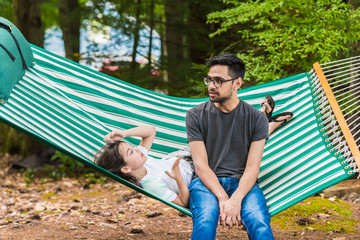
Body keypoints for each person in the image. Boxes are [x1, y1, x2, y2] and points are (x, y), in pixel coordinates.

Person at [186, 54, 275, 239]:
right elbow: (201, 165)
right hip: (206, 183)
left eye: (218, 81)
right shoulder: (195, 115)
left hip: (243, 183)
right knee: (205, 220)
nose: (211, 86)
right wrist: (223, 197)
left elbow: (252, 167)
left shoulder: (256, 118)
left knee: (259, 221)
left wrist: (237, 198)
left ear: (237, 83)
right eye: (209, 80)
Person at [94, 126, 194, 207]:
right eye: (131, 151)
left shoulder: (141, 160)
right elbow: (183, 202)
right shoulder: (152, 185)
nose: (137, 149)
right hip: (195, 172)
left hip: (185, 155)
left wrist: (125, 133)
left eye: (132, 147)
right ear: (126, 168)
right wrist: (178, 178)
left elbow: (151, 131)